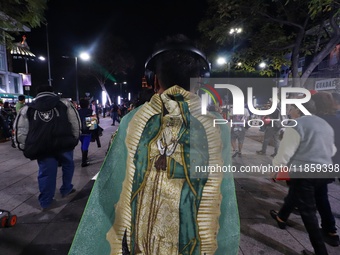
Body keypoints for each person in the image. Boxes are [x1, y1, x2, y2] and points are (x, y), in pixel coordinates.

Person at [69, 35, 240, 255]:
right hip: (191, 227)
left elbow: (114, 181)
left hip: (144, 229)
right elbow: (221, 190)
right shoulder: (217, 126)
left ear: (155, 81)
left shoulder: (134, 120)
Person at [270, 100, 337, 255]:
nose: (290, 110)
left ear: (299, 111)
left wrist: (276, 168)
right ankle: (281, 217)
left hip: (304, 172)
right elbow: (332, 150)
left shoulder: (296, 125)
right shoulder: (324, 124)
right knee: (297, 194)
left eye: (292, 108)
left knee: (308, 212)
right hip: (324, 170)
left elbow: (285, 152)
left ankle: (320, 251)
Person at [14, 85, 81, 210]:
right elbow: (75, 122)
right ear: (52, 92)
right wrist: (74, 139)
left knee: (46, 172)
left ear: (37, 94)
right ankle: (66, 189)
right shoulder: (64, 103)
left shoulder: (27, 108)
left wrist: (23, 146)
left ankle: (46, 201)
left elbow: (21, 129)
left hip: (42, 146)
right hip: (64, 142)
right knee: (68, 165)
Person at [78, 98, 97, 167]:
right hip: (87, 132)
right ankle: (84, 161)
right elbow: (93, 124)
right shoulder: (91, 111)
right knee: (85, 145)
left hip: (79, 131)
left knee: (83, 144)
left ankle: (85, 157)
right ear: (88, 104)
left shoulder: (77, 112)